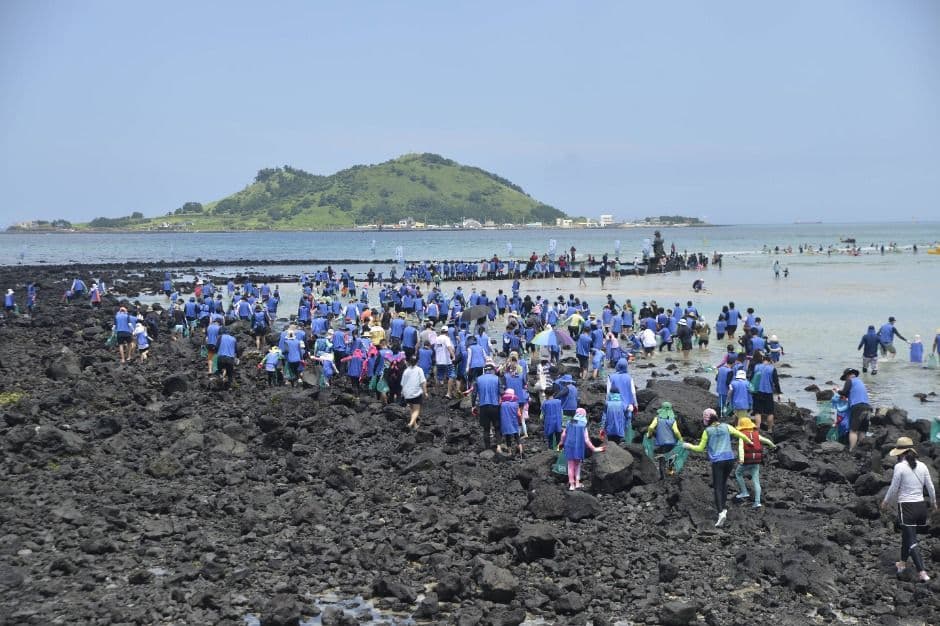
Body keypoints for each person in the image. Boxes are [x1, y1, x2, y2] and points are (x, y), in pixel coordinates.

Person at [880, 437, 937, 582]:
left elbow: (894, 487)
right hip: (921, 507)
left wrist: (885, 502)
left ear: (900, 453)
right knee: (907, 536)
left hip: (907, 508)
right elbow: (930, 487)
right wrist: (934, 503)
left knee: (911, 541)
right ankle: (902, 563)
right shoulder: (923, 466)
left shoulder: (900, 467)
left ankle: (922, 571)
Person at [684, 408, 750, 527]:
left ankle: (720, 513)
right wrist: (750, 442)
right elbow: (741, 435)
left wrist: (687, 445)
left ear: (706, 420)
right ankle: (724, 508)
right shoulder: (726, 426)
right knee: (724, 483)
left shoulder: (707, 431)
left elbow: (699, 448)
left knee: (717, 487)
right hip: (729, 459)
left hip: (718, 461)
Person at [733, 416, 776, 508]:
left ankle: (744, 492)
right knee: (756, 480)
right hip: (756, 461)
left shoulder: (742, 435)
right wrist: (772, 445)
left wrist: (741, 459)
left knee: (738, 473)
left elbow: (741, 448)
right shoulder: (756, 434)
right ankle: (757, 502)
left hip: (747, 460)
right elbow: (766, 440)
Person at [559, 408, 604, 490]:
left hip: (569, 446)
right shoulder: (583, 425)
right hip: (578, 447)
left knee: (570, 466)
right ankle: (577, 483)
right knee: (577, 465)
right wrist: (594, 449)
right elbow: (586, 440)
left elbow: (563, 435)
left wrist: (561, 443)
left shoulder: (570, 422)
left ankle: (571, 485)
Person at [645, 401, 683, 479]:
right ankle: (670, 471)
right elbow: (676, 431)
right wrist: (681, 439)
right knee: (672, 455)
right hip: (672, 443)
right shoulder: (673, 420)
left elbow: (651, 427)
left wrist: (649, 434)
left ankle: (663, 478)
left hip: (662, 443)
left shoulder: (657, 418)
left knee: (662, 459)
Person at [837, 367, 871, 452]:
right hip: (867, 407)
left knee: (853, 430)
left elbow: (844, 392)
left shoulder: (850, 380)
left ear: (847, 376)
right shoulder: (860, 382)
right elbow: (850, 394)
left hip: (858, 407)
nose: (845, 380)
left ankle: (851, 449)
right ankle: (861, 449)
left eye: (845, 378)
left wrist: (838, 390)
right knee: (863, 430)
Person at [751, 354, 781, 433]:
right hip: (768, 392)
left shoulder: (756, 367)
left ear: (762, 359)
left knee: (757, 411)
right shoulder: (772, 369)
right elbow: (776, 382)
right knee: (770, 412)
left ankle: (757, 428)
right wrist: (778, 392)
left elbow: (751, 378)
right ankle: (770, 429)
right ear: (770, 360)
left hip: (757, 392)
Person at [401, 355, 428, 429]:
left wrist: (403, 393)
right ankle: (410, 424)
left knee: (412, 409)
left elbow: (403, 383)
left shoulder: (406, 371)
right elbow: (423, 382)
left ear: (409, 362)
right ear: (417, 362)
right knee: (416, 410)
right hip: (416, 393)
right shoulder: (419, 370)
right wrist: (425, 392)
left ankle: (415, 425)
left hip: (407, 394)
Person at [498, 388, 523, 456]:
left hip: (505, 423)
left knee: (508, 437)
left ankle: (509, 452)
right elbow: (519, 414)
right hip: (514, 422)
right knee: (516, 436)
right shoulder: (516, 404)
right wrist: (520, 422)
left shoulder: (502, 404)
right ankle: (521, 449)